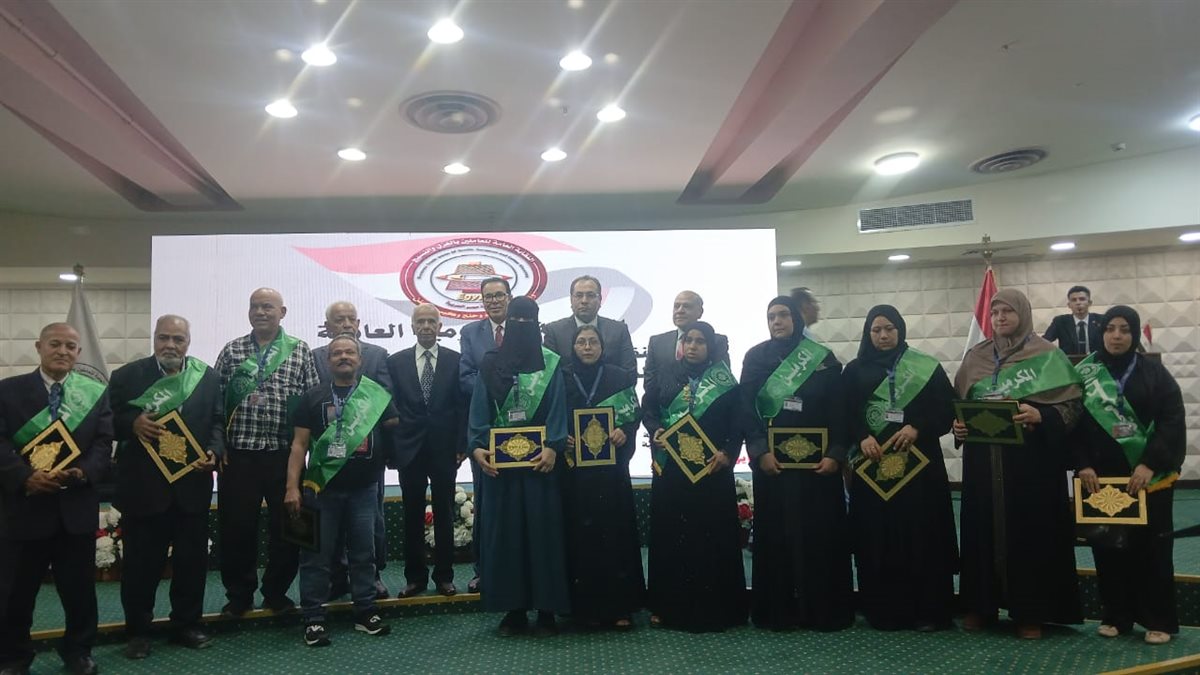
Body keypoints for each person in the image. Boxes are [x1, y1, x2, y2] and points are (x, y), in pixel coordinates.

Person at [952, 288, 1083, 639]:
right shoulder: (976, 357)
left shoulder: (1048, 355)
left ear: (1022, 314)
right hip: (983, 464)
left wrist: (1043, 415)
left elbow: (1072, 409)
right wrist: (958, 427)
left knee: (1031, 533)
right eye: (995, 313)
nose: (1000, 318)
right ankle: (981, 605)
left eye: (1007, 312)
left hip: (1031, 465)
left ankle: (1031, 611)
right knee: (982, 529)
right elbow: (959, 403)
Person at [0, 323, 113, 675]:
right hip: (24, 508)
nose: (62, 351)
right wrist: (24, 477)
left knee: (79, 592)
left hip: (75, 509)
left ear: (79, 353)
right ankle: (14, 656)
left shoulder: (95, 393)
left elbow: (103, 444)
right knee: (16, 592)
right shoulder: (7, 391)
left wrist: (82, 473)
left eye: (70, 346)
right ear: (39, 347)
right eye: (55, 344)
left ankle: (78, 652)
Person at [109, 316, 223, 659]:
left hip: (192, 486)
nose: (170, 345)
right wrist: (132, 423)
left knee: (191, 564)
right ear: (154, 339)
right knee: (140, 567)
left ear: (188, 342)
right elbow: (106, 420)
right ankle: (138, 632)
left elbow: (218, 421)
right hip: (144, 489)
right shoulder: (127, 376)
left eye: (178, 339)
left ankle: (186, 625)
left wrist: (214, 451)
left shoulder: (207, 377)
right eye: (163, 338)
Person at [842, 305, 958, 632]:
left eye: (889, 329)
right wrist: (861, 436)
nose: (883, 335)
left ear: (900, 330)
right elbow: (844, 412)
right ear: (868, 333)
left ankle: (928, 611)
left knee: (921, 536)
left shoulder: (925, 367)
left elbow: (947, 409)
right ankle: (884, 611)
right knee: (878, 538)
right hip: (873, 469)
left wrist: (918, 427)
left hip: (920, 471)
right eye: (876, 330)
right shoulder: (854, 370)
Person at [740, 297, 852, 632]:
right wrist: (760, 452)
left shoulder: (823, 359)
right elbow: (746, 410)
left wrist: (836, 453)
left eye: (783, 315)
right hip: (774, 467)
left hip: (820, 469)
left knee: (821, 537)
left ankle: (823, 611)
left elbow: (840, 410)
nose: (777, 321)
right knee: (778, 538)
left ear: (797, 319)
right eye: (771, 316)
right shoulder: (755, 357)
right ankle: (778, 612)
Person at [1074, 306, 1184, 645]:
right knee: (1108, 549)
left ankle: (1158, 619)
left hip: (1149, 478)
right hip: (1101, 479)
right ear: (1101, 332)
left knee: (1153, 550)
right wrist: (1083, 464)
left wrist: (1149, 463)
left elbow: (1171, 420)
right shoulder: (1085, 374)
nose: (1117, 336)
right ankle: (1116, 616)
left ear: (1134, 334)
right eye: (1110, 329)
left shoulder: (1155, 373)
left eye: (1124, 329)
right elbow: (1073, 423)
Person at [285, 334, 397, 646]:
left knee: (364, 554)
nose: (343, 357)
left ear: (360, 359)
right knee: (315, 557)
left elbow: (394, 429)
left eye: (349, 352)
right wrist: (291, 487)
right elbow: (299, 445)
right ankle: (314, 618)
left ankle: (365, 612)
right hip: (321, 489)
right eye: (337, 353)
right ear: (328, 360)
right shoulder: (312, 397)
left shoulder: (376, 396)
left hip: (364, 489)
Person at [468, 296, 571, 637]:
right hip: (501, 471)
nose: (522, 327)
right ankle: (513, 610)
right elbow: (479, 408)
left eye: (529, 321)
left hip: (541, 467)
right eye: (517, 320)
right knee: (507, 538)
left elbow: (558, 407)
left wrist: (554, 446)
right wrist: (477, 446)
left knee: (544, 537)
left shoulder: (551, 364)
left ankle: (546, 610)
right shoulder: (491, 363)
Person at [214, 288, 318, 616]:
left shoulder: (300, 350)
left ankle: (277, 592)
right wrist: (217, 444)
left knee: (291, 528)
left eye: (268, 307)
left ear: (282, 312)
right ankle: (239, 595)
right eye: (255, 306)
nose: (260, 312)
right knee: (236, 529)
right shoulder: (232, 351)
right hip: (238, 456)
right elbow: (215, 403)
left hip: (284, 456)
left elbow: (313, 401)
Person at [642, 320, 747, 633]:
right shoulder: (664, 375)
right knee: (672, 537)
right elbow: (649, 410)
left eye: (700, 341)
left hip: (712, 471)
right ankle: (668, 607)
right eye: (688, 340)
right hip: (673, 471)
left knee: (711, 538)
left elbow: (737, 422)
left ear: (710, 346)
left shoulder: (725, 381)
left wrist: (728, 453)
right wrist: (655, 429)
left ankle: (717, 608)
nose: (693, 346)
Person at [560, 324, 645, 628]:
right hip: (575, 476)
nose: (587, 347)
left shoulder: (619, 376)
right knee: (578, 539)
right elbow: (551, 416)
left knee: (615, 537)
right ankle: (580, 609)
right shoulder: (561, 378)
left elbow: (634, 416)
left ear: (602, 346)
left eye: (593, 342)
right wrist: (561, 437)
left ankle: (620, 607)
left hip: (611, 475)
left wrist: (625, 431)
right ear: (573, 347)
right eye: (581, 342)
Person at [311, 301, 392, 600]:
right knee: (329, 522)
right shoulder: (315, 357)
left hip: (367, 455)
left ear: (358, 324)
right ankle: (337, 577)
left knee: (372, 520)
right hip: (327, 457)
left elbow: (386, 400)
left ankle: (374, 576)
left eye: (350, 319)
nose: (345, 324)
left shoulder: (378, 354)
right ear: (327, 326)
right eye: (338, 319)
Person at [388, 304, 468, 598]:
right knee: (412, 514)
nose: (425, 326)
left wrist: (462, 444)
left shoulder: (456, 360)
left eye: (431, 322)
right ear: (412, 326)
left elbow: (462, 406)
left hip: (445, 449)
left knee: (444, 512)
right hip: (409, 449)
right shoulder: (395, 362)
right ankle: (415, 578)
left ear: (439, 326)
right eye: (420, 322)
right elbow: (391, 406)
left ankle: (444, 577)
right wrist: (394, 449)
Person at [457, 275, 511, 594]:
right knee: (486, 503)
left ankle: (517, 568)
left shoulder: (525, 329)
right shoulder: (470, 333)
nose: (494, 301)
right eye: (488, 296)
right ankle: (483, 570)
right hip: (486, 431)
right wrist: (495, 390)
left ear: (509, 297)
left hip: (523, 433)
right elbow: (465, 377)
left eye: (499, 295)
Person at [541, 275, 638, 385]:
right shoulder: (554, 332)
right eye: (579, 295)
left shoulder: (618, 330)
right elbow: (550, 378)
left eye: (590, 295)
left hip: (610, 394)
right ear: (571, 300)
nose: (584, 301)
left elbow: (630, 374)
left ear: (600, 300)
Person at [643, 291, 729, 398]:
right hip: (665, 407)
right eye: (676, 306)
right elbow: (650, 385)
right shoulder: (657, 342)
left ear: (700, 312)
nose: (680, 311)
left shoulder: (718, 342)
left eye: (687, 306)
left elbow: (721, 380)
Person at [1043, 285, 1103, 355]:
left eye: (1082, 299)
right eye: (1074, 300)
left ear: (1089, 303)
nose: (1078, 303)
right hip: (1069, 361)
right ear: (1069, 305)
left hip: (1096, 360)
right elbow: (1044, 341)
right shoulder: (1060, 322)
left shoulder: (1101, 320)